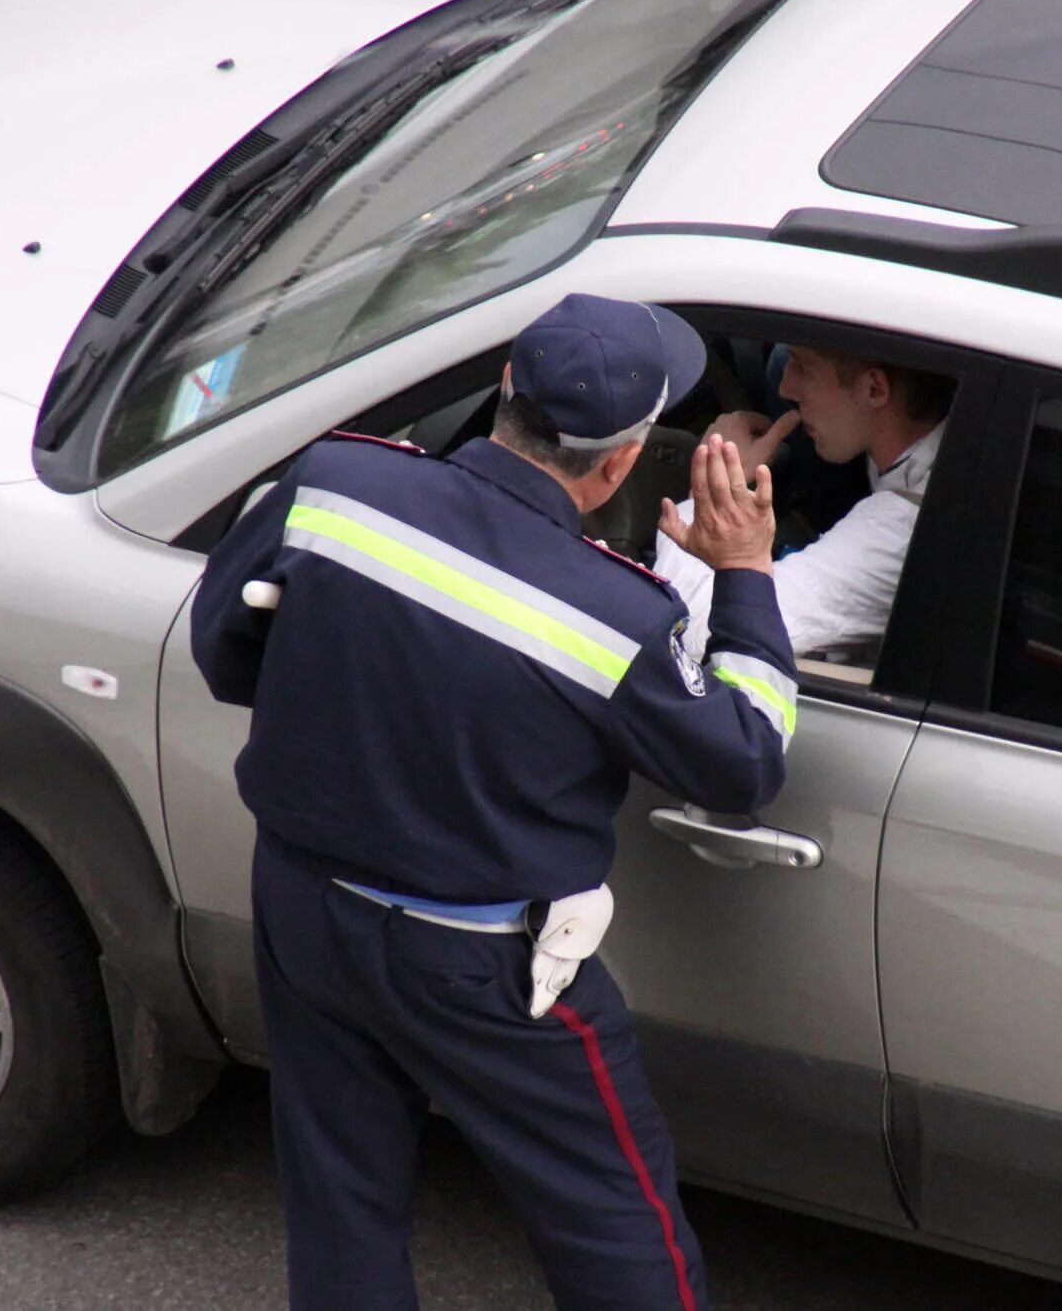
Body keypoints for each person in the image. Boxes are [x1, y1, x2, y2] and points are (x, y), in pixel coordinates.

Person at [190, 292, 799, 1311]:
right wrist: (742, 574)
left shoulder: (336, 482)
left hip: (305, 906)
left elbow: (225, 648)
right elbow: (742, 765)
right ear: (619, 465)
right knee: (616, 1231)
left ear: (505, 389)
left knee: (342, 1209)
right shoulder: (617, 616)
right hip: (485, 961)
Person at [653, 344, 956, 660]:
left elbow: (690, 634)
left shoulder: (897, 532)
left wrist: (713, 493)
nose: (786, 387)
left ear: (875, 388)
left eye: (804, 368)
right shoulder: (913, 443)